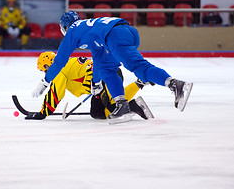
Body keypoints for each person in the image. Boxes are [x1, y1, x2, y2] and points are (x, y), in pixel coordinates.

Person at [32, 12, 193, 123]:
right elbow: (98, 59)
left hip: (115, 36)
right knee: (106, 69)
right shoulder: (86, 28)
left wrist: (45, 82)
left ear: (65, 27)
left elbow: (59, 62)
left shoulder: (72, 32)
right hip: (124, 31)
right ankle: (121, 104)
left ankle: (175, 84)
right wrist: (95, 83)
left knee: (138, 67)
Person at [25, 51, 154, 120]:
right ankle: (132, 94)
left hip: (106, 77)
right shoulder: (64, 63)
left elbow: (55, 93)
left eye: (44, 70)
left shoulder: (59, 69)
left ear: (48, 65)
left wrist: (43, 113)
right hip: (100, 81)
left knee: (114, 108)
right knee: (97, 113)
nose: (46, 73)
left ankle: (136, 98)